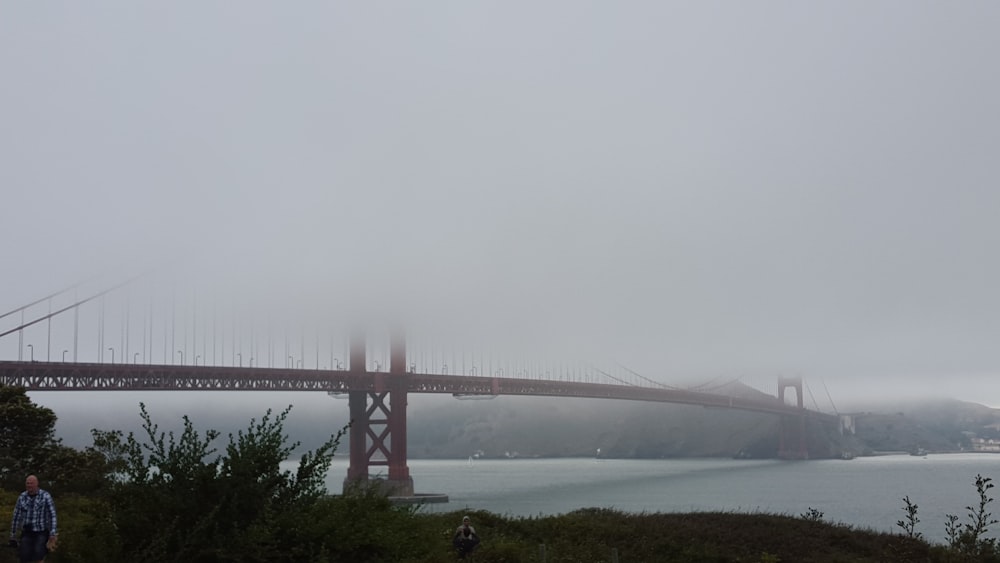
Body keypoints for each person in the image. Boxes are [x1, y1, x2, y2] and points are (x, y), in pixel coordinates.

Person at [8, 475, 57, 563]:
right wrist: (13, 535)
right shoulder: (22, 497)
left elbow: (52, 515)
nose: (29, 485)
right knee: (24, 555)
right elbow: (16, 516)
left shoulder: (45, 496)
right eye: (28, 483)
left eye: (31, 483)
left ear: (37, 484)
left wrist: (52, 533)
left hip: (41, 531)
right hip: (27, 531)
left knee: (39, 553)